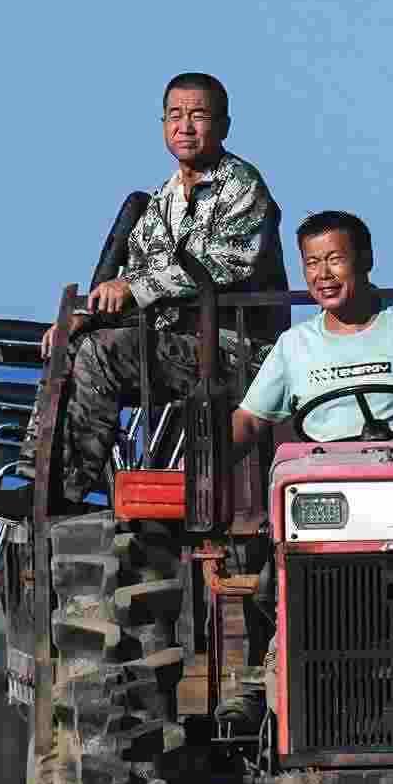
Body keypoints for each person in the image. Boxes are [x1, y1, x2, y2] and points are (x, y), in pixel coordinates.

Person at [34, 70, 288, 507]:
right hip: (177, 346)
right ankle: (40, 479)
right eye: (174, 115)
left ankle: (69, 492)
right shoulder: (163, 199)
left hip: (237, 349)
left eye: (198, 115)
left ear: (223, 126)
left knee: (102, 352)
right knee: (72, 344)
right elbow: (130, 276)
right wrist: (83, 318)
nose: (184, 126)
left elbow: (223, 263)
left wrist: (133, 287)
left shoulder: (243, 185)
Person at [233, 210, 393, 445]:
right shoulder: (293, 344)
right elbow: (250, 420)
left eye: (335, 259)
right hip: (322, 474)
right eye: (312, 263)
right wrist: (211, 466)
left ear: (366, 260)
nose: (323, 274)